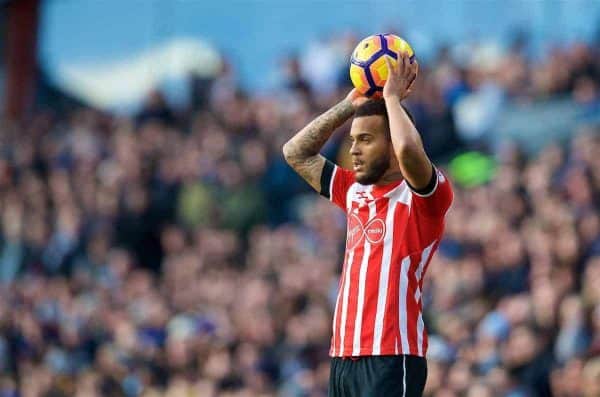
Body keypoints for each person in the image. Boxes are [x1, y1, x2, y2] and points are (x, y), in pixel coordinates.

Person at [283, 53, 453, 396]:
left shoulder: (424, 197)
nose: (353, 150)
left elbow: (408, 149)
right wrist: (349, 105)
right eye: (352, 140)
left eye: (366, 140)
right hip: (343, 356)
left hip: (392, 354)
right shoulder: (354, 191)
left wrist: (391, 98)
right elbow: (295, 152)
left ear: (390, 145)